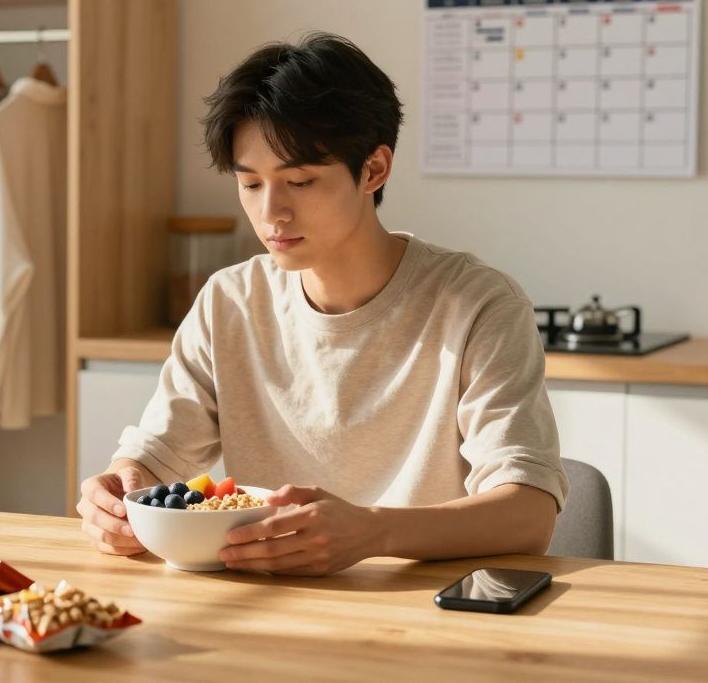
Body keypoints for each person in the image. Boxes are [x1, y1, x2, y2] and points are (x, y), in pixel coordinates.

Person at [76, 32, 569, 576]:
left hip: (424, 616)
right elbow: (152, 461)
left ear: (374, 170)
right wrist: (117, 493)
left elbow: (528, 513)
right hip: (266, 611)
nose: (272, 214)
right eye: (251, 184)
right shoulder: (229, 302)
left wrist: (372, 532)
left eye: (300, 181)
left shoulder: (478, 305)